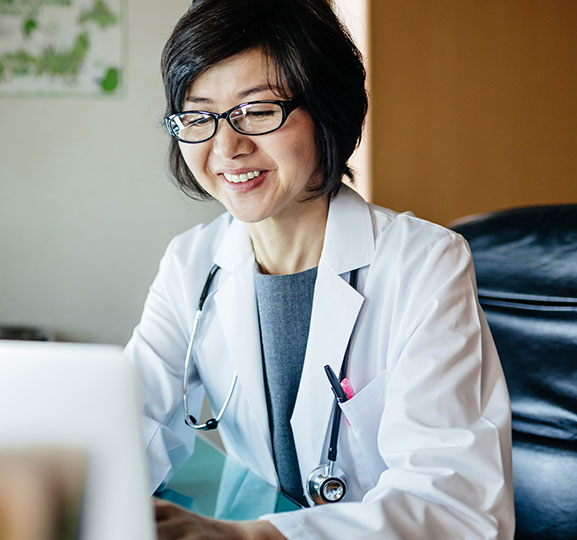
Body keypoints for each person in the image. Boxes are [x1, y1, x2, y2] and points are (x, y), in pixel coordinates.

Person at [124, 0, 514, 538]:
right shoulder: (191, 264)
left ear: (325, 108)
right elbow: (126, 427)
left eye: (256, 110)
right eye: (198, 115)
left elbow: (454, 507)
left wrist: (249, 536)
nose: (226, 147)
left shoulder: (424, 263)